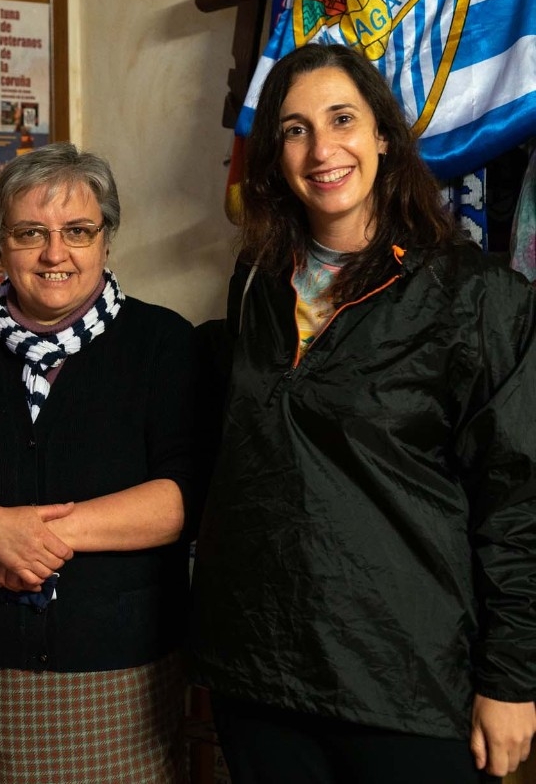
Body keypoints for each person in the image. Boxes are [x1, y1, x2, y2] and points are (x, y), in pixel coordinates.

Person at [189, 42, 536, 783]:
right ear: (274, 155)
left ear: (382, 132)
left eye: (342, 119)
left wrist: (511, 679)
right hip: (261, 674)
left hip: (405, 683)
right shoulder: (254, 282)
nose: (322, 149)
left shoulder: (476, 298)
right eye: (294, 129)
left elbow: (518, 503)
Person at [0, 142, 204, 783]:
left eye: (78, 231)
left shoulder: (162, 341)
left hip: (124, 679)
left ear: (106, 240)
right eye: (30, 233)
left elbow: (185, 495)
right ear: (0, 244)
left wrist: (36, 538)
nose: (56, 254)